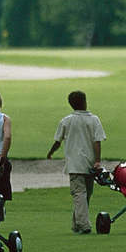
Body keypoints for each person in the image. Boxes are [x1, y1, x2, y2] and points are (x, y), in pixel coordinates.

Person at [46, 90, 106, 234]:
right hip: (90, 164)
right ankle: (83, 225)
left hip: (74, 164)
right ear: (85, 101)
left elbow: (57, 141)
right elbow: (97, 142)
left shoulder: (66, 121)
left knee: (80, 195)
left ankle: (78, 224)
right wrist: (97, 160)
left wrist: (50, 152)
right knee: (84, 195)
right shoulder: (94, 120)